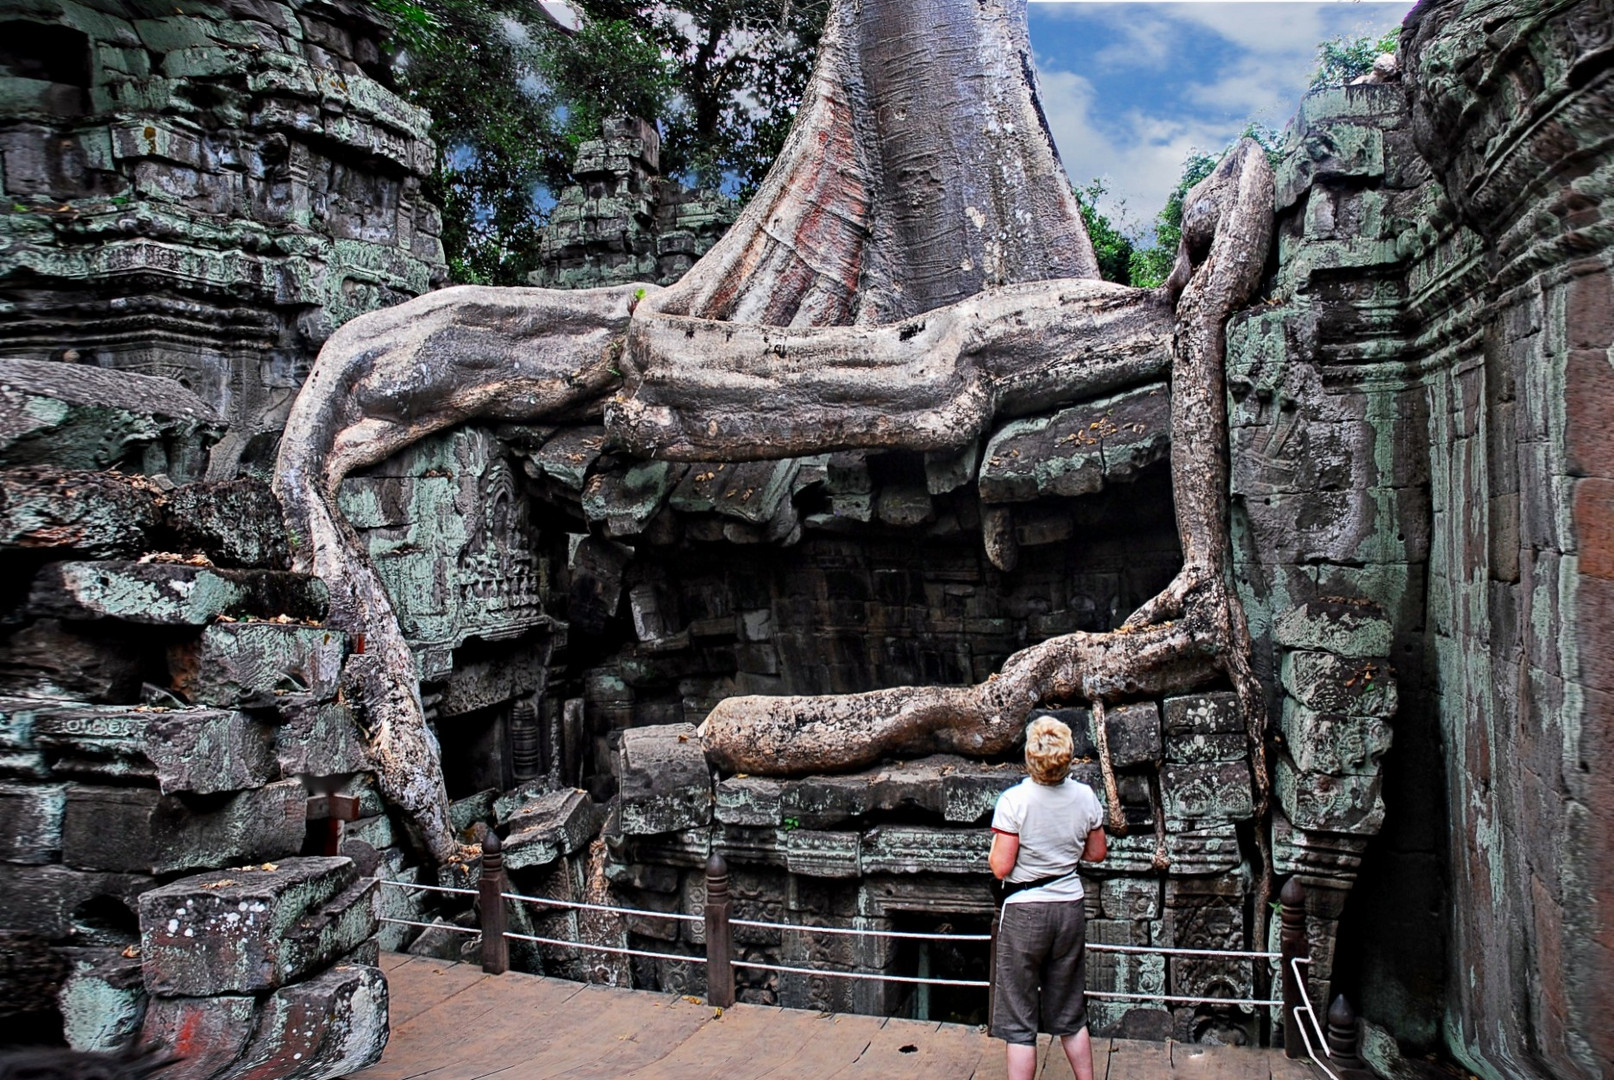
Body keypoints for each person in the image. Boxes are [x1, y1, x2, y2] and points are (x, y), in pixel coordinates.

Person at [988, 714, 1108, 1080]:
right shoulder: (1085, 797)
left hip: (1025, 911)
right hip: (1069, 907)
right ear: (1067, 756)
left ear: (1030, 756)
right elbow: (1096, 853)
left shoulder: (1014, 801)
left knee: (1019, 1020)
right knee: (1070, 1011)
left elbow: (1000, 866)